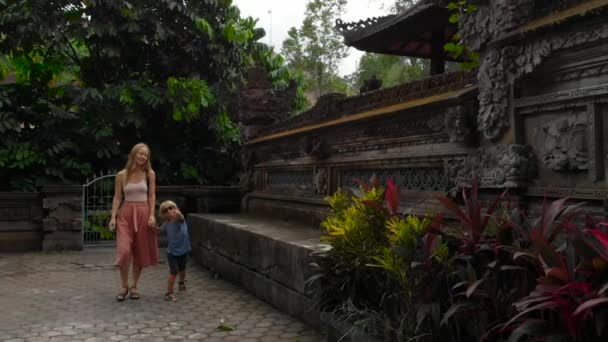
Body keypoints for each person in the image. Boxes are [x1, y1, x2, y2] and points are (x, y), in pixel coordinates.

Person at [108, 143, 158, 302]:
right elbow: (117, 197)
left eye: (146, 155)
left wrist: (152, 215)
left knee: (139, 251)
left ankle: (134, 286)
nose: (143, 157)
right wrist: (113, 217)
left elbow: (151, 196)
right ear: (134, 154)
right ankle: (124, 285)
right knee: (124, 251)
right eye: (141, 153)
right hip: (126, 214)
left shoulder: (150, 174)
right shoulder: (121, 175)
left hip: (143, 213)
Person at [158, 200, 191, 302]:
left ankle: (181, 283)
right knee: (174, 272)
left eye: (171, 208)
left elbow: (180, 216)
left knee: (183, 268)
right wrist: (151, 228)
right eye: (166, 210)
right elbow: (159, 230)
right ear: (163, 214)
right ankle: (169, 292)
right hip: (172, 252)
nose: (169, 211)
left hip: (183, 249)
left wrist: (177, 213)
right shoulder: (167, 223)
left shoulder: (180, 219)